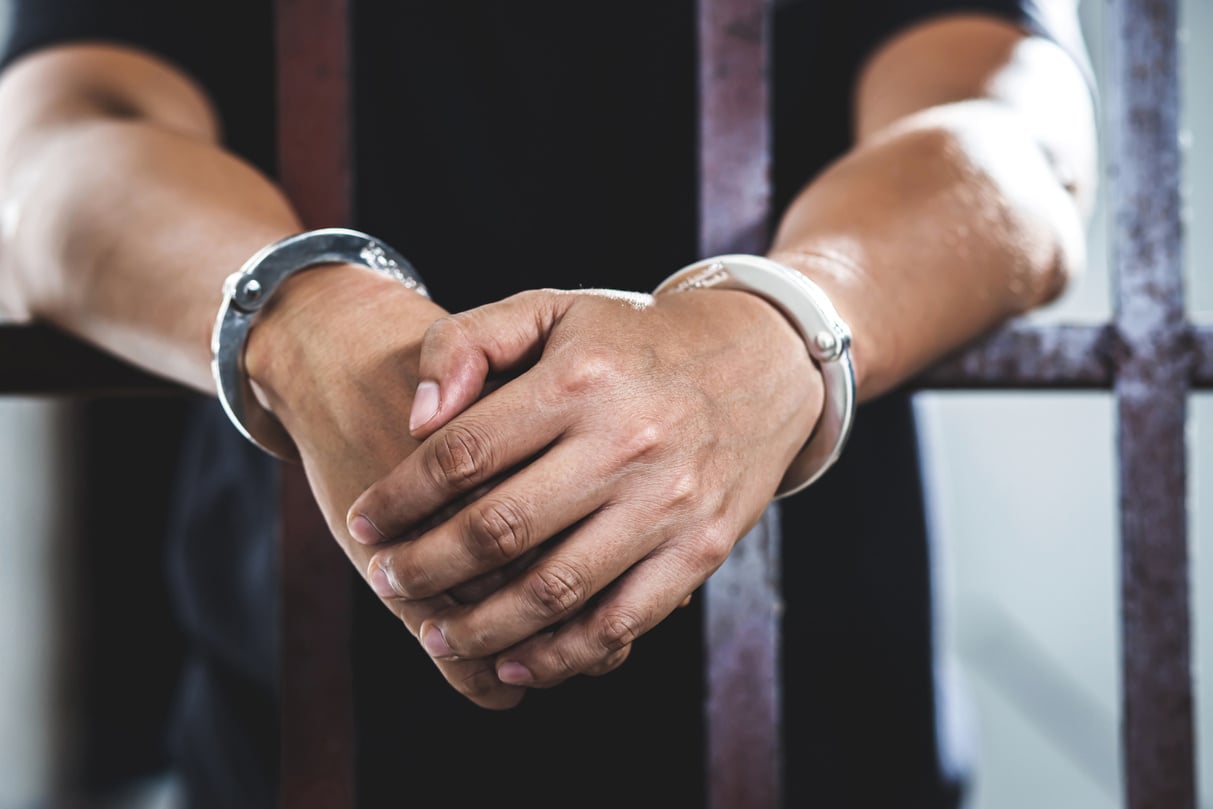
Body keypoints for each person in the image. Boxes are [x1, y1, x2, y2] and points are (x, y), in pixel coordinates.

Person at [0, 1, 1097, 807]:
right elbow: (47, 142)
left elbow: (1012, 132)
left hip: (817, 744)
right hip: (293, 746)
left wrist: (778, 330)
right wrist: (297, 313)